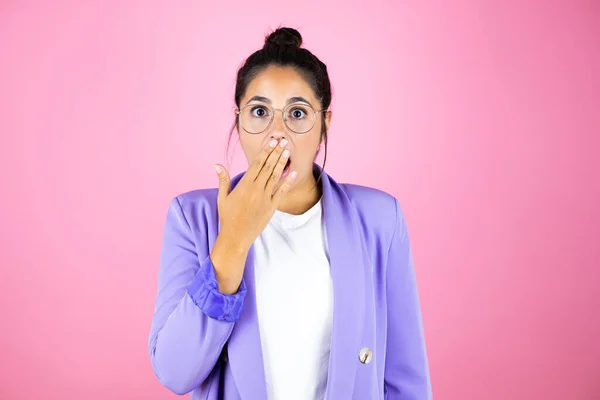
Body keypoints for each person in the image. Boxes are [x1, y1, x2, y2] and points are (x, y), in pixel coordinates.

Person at [148, 26, 432, 400]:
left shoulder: (380, 220)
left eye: (297, 113)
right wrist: (232, 241)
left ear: (324, 124)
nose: (276, 133)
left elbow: (406, 377)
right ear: (238, 121)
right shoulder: (193, 217)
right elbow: (175, 371)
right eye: (260, 111)